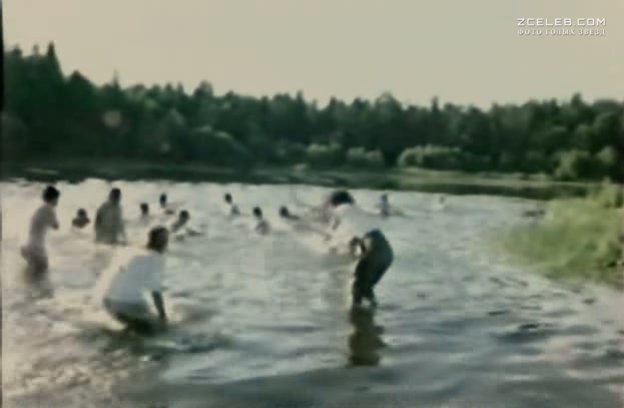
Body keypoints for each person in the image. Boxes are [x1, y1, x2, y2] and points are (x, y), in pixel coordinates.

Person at [95, 226, 169, 333]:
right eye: (166, 240)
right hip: (124, 304)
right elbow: (155, 291)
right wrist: (163, 317)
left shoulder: (132, 250)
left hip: (107, 300)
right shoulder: (157, 258)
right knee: (157, 331)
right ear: (163, 243)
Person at [20, 186, 60, 272]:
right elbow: (56, 226)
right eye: (57, 199)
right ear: (53, 198)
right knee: (43, 275)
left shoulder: (40, 209)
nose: (58, 201)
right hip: (37, 250)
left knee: (32, 277)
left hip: (29, 247)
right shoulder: (49, 209)